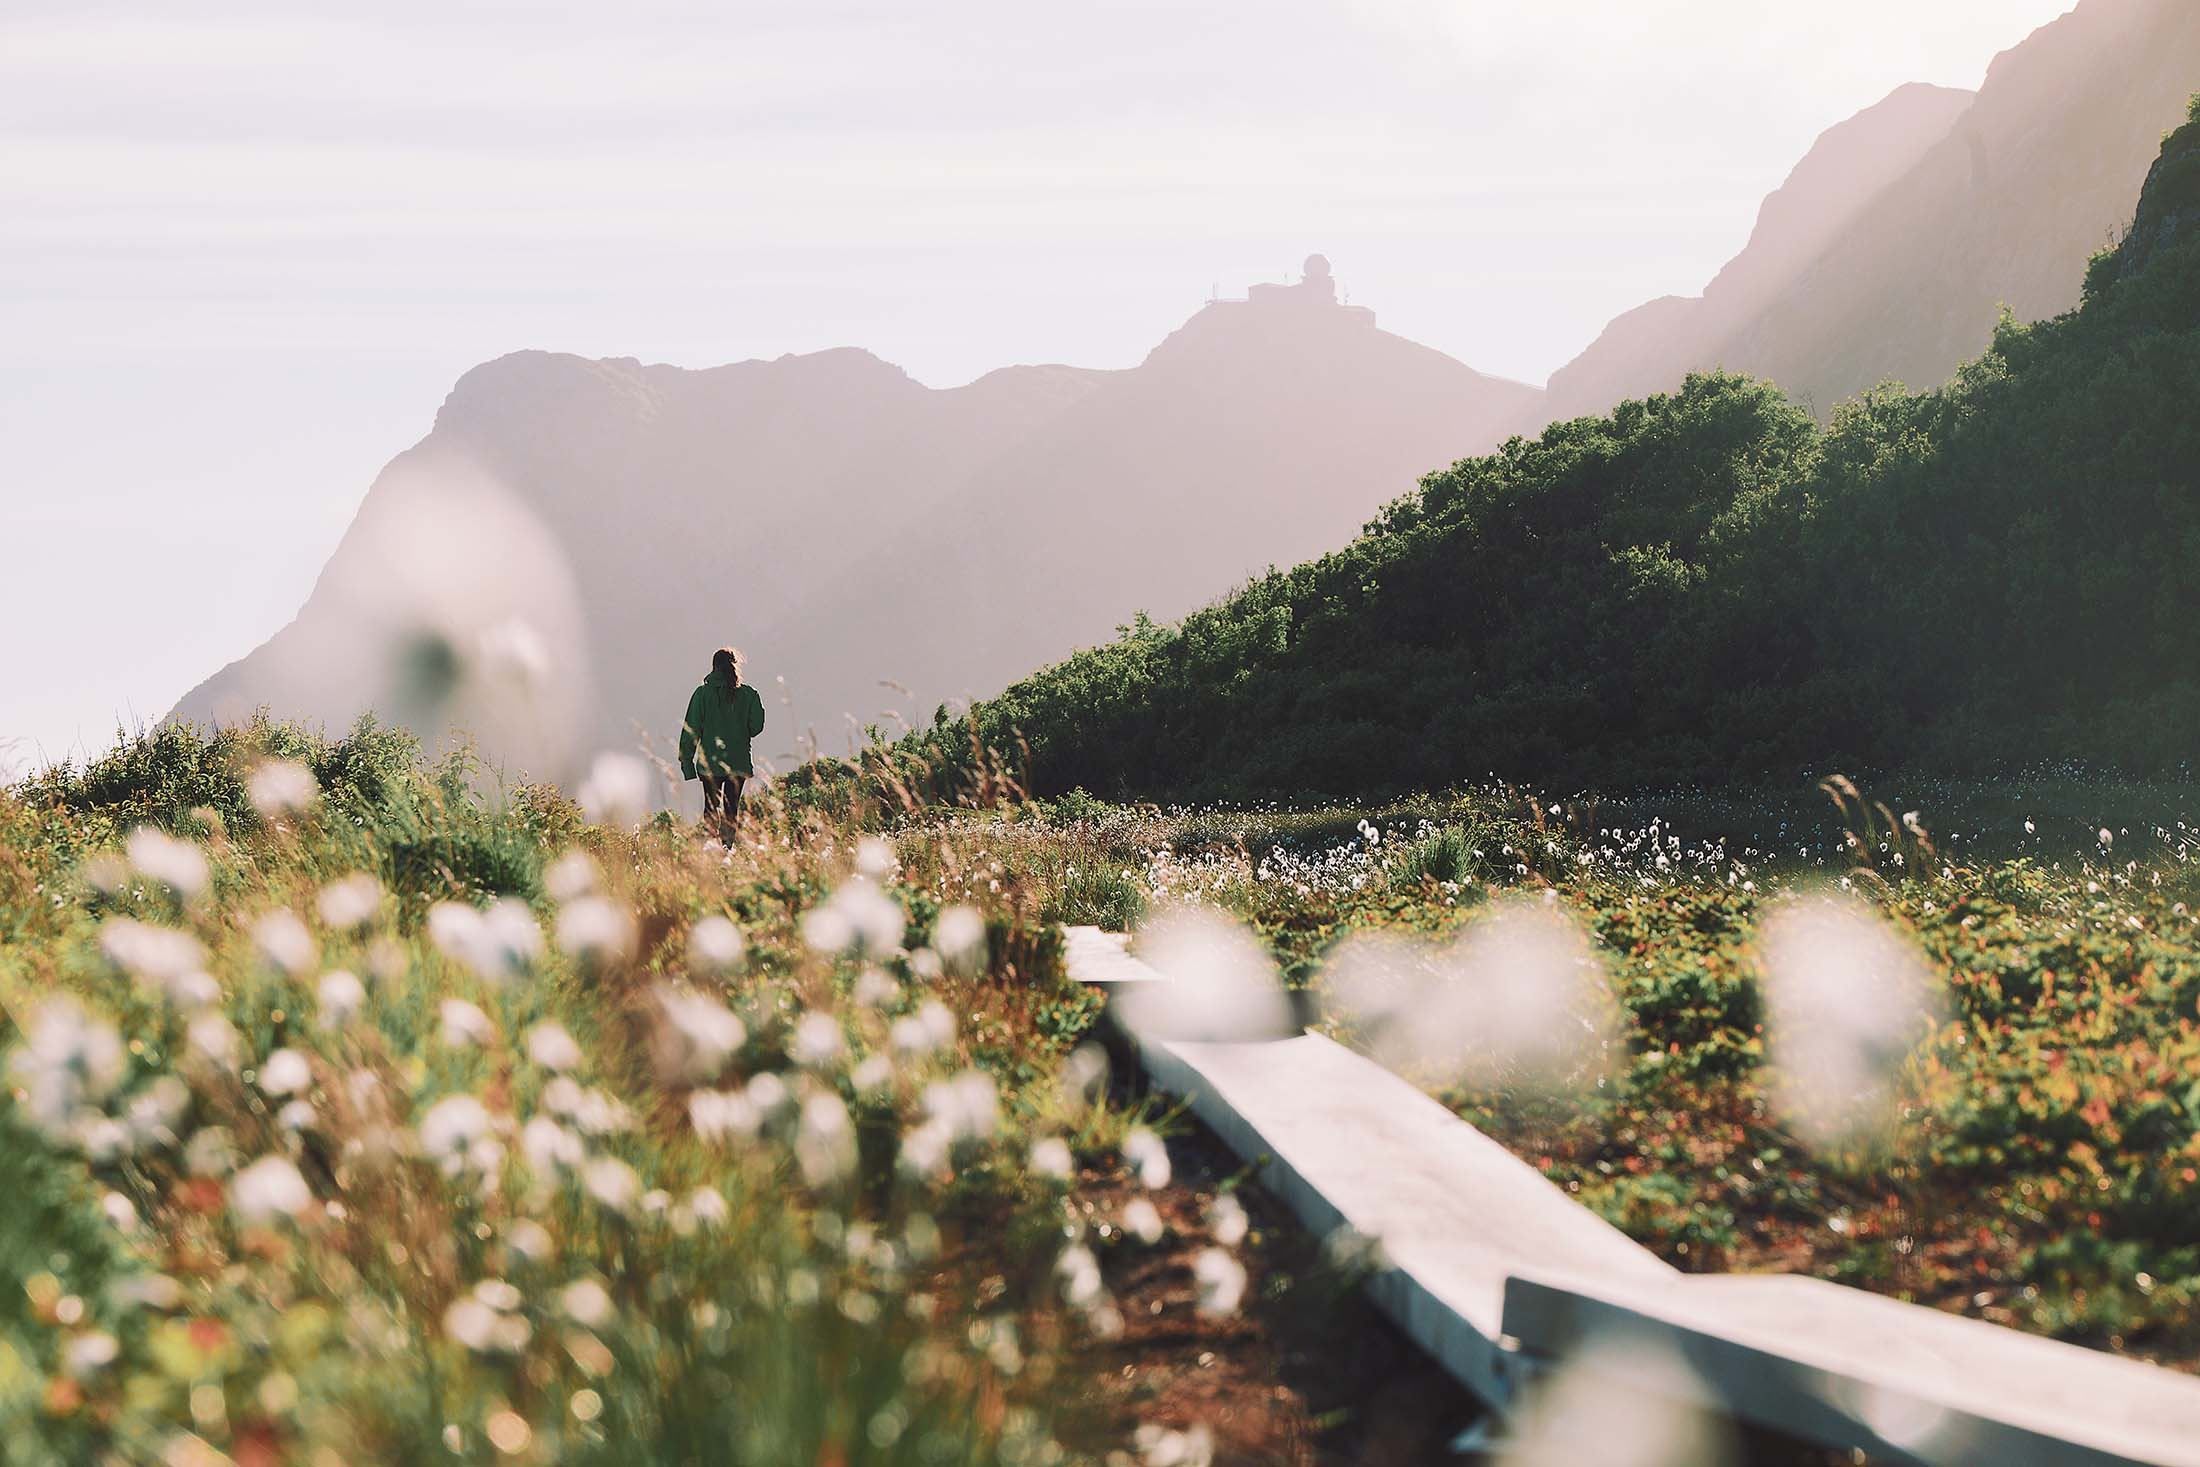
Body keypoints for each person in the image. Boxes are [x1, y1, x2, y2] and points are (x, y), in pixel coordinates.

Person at [678, 647, 767, 839]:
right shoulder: (749, 694)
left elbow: (690, 730)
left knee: (710, 808)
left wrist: (687, 763)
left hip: (710, 763)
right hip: (738, 763)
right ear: (735, 666)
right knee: (731, 809)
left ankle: (710, 850)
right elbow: (756, 728)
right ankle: (728, 848)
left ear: (713, 667)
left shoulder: (702, 694)